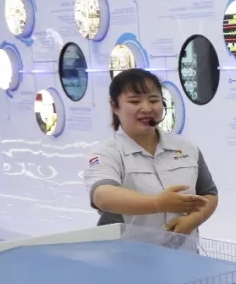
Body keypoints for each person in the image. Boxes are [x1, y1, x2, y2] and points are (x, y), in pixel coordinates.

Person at [84, 68, 217, 233]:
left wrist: (192, 220)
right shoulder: (106, 153)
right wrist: (157, 204)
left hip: (182, 248)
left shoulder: (185, 147)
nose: (146, 108)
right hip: (128, 248)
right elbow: (103, 196)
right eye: (135, 102)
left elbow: (209, 193)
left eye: (154, 100)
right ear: (114, 106)